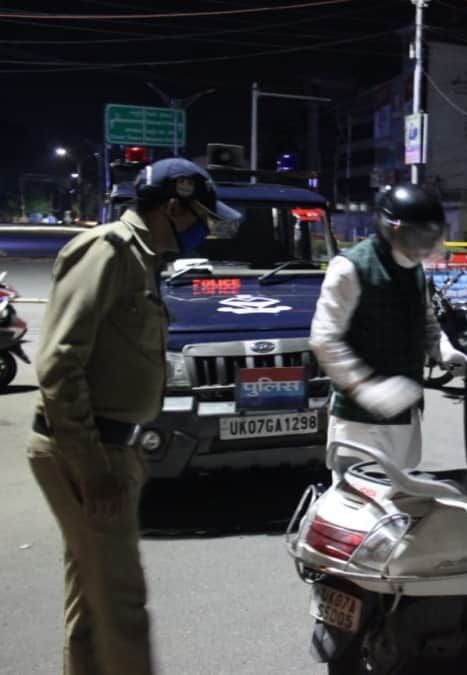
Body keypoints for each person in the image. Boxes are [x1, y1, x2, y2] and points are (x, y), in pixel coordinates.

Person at [27, 157, 239, 675]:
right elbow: (58, 362)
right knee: (122, 607)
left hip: (111, 446)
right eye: (200, 219)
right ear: (172, 207)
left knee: (95, 604)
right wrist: (94, 469)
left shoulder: (142, 260)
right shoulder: (108, 251)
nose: (204, 231)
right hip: (89, 449)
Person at [310, 184, 467, 476]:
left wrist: (443, 350)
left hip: (405, 413)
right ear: (391, 229)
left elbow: (426, 319)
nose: (423, 247)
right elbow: (324, 339)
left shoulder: (414, 267)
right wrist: (365, 388)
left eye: (429, 238)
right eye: (416, 237)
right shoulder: (350, 268)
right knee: (358, 502)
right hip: (358, 419)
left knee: (400, 496)